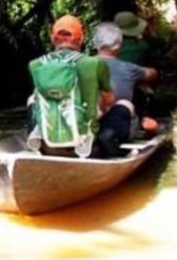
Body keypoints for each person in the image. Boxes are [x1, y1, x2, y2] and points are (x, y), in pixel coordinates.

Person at [27, 15, 125, 158]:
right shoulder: (95, 64)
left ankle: (39, 140)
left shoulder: (35, 65)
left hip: (48, 147)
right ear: (81, 39)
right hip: (86, 149)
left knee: (32, 100)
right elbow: (108, 100)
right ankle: (111, 148)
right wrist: (98, 111)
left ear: (52, 38)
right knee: (123, 106)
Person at [94, 21, 160, 136]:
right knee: (127, 105)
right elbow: (152, 73)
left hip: (89, 122)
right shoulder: (129, 68)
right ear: (118, 46)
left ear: (96, 44)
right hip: (118, 127)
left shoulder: (80, 65)